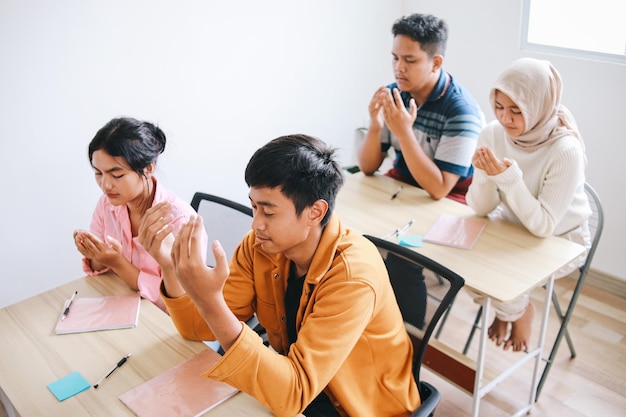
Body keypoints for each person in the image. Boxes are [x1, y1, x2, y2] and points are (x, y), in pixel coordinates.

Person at [160, 134, 420, 417]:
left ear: (315, 212)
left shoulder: (352, 276)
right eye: (254, 206)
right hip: (297, 384)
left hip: (356, 406)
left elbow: (293, 393)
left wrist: (209, 299)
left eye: (268, 212)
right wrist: (171, 270)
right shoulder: (259, 246)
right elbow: (196, 330)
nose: (256, 223)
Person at [466, 57, 591, 352]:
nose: (505, 119)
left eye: (516, 110)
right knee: (462, 264)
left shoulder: (564, 149)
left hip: (560, 239)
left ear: (539, 106)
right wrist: (485, 175)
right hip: (511, 226)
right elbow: (480, 208)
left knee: (499, 273)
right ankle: (514, 310)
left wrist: (508, 179)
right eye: (498, 107)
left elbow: (543, 226)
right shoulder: (493, 133)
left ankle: (512, 309)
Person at [73, 117, 207, 313]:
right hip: (121, 307)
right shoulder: (107, 204)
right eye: (98, 173)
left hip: (165, 323)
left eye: (117, 175)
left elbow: (184, 306)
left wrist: (118, 264)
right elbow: (100, 271)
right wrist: (96, 254)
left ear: (148, 168)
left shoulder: (179, 220)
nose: (105, 185)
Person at [357, 13, 484, 204]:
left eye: (410, 60)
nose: (399, 68)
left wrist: (404, 132)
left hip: (451, 195)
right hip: (403, 181)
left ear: (436, 63)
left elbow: (440, 188)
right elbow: (367, 168)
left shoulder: (462, 111)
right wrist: (375, 126)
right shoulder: (395, 94)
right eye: (395, 58)